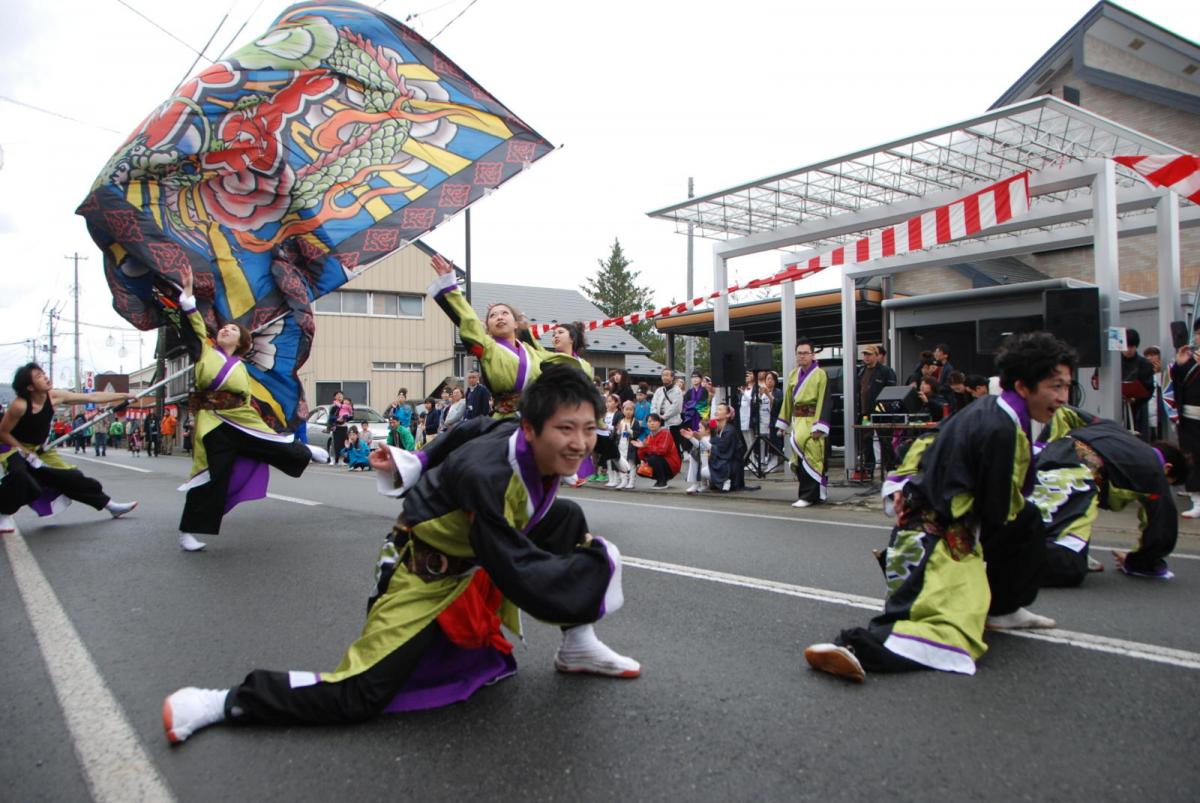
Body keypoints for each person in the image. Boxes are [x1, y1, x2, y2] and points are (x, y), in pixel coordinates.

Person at [161, 365, 639, 744]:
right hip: (423, 568)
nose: (580, 443)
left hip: (476, 548)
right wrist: (595, 576)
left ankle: (576, 646)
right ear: (532, 428)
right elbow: (511, 566)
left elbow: (467, 427)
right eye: (566, 429)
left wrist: (418, 459)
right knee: (359, 694)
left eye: (588, 428)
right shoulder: (487, 474)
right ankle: (223, 701)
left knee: (566, 518)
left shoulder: (517, 432)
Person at [804, 332, 1076, 682]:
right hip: (934, 544)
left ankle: (1004, 605)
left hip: (933, 529)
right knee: (949, 625)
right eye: (1056, 386)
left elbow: (926, 449)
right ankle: (855, 649)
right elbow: (995, 512)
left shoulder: (990, 412)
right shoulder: (999, 426)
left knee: (1026, 520)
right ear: (1023, 385)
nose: (1063, 397)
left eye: (1067, 387)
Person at [175, 266, 327, 552]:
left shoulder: (243, 368)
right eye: (223, 328)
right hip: (213, 424)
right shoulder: (205, 352)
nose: (225, 329)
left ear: (242, 342)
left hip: (242, 420)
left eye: (232, 329)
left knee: (273, 443)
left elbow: (249, 399)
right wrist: (187, 296)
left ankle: (307, 452)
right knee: (212, 477)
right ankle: (188, 530)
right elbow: (195, 325)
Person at [1034, 410, 1186, 584]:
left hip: (1044, 460)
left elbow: (1064, 412)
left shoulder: (1113, 429)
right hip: (1075, 475)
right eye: (1169, 482)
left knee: (1038, 525)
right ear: (1166, 468)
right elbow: (1162, 531)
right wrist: (1137, 562)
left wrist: (1041, 446)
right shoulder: (1154, 472)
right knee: (1070, 567)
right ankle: (1009, 564)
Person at [0, 363, 138, 534]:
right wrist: (24, 451)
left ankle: (110, 505)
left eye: (43, 373)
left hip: (40, 449)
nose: (45, 377)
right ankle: (4, 513)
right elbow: (3, 433)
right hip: (12, 447)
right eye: (38, 376)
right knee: (22, 479)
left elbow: (91, 397)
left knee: (72, 477)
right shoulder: (19, 405)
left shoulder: (55, 397)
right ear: (29, 387)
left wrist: (125, 395)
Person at [429, 254, 543, 419]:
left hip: (538, 418)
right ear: (487, 327)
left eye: (505, 313)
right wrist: (449, 285)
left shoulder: (533, 352)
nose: (500, 317)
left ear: (517, 322)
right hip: (505, 421)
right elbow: (469, 320)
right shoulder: (487, 347)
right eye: (493, 315)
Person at [777, 339, 830, 508]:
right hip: (797, 421)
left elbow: (825, 400)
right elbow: (787, 400)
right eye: (799, 353)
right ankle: (811, 493)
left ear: (812, 354)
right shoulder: (794, 374)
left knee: (813, 457)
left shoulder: (820, 374)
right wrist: (782, 423)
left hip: (812, 420)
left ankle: (809, 495)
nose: (802, 356)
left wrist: (819, 426)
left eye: (805, 353)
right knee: (799, 459)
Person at [1170, 338, 1200, 517]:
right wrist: (1180, 365)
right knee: (1192, 459)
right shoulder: (1189, 358)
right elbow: (1176, 384)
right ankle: (1197, 501)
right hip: (1190, 418)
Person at [856, 344, 896, 477]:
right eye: (864, 354)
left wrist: (886, 409)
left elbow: (891, 392)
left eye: (869, 354)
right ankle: (869, 468)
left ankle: (891, 468)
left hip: (881, 413)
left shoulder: (886, 371)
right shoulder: (861, 371)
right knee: (866, 439)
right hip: (865, 413)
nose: (866, 357)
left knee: (884, 439)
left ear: (876, 355)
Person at [1121, 329, 1155, 441]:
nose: (1128, 350)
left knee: (1138, 438)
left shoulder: (1144, 364)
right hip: (1117, 406)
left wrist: (1136, 399)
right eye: (1126, 346)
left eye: (1132, 346)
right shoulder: (1113, 363)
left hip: (1138, 408)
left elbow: (1149, 388)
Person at [632, 413, 680, 490]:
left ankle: (662, 481)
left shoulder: (665, 433)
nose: (652, 423)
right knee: (640, 469)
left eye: (654, 421)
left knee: (653, 458)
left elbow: (662, 451)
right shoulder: (649, 437)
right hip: (660, 462)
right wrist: (641, 449)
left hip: (671, 465)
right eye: (649, 421)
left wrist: (646, 447)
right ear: (647, 424)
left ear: (659, 422)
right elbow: (642, 456)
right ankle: (660, 479)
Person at [610, 400, 642, 490]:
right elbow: (615, 434)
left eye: (631, 409)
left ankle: (631, 481)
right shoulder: (620, 421)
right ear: (623, 410)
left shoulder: (635, 422)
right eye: (626, 409)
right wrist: (618, 431)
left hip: (630, 447)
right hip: (621, 445)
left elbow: (637, 434)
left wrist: (630, 431)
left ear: (633, 411)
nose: (628, 411)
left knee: (631, 465)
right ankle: (623, 481)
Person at [650, 368, 684, 455]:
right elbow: (653, 403)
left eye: (667, 375)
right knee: (660, 445)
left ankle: (675, 465)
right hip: (659, 423)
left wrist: (664, 416)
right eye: (663, 375)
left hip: (672, 423)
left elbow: (676, 407)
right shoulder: (659, 390)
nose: (664, 377)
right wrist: (655, 417)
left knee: (674, 446)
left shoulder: (677, 391)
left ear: (672, 377)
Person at [326, 391, 352, 466]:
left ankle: (341, 459)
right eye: (338, 395)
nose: (340, 397)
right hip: (335, 427)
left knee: (343, 443)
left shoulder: (346, 405)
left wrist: (346, 417)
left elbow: (351, 415)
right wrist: (337, 419)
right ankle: (332, 459)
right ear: (335, 397)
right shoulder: (333, 406)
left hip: (344, 427)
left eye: (341, 395)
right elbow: (330, 417)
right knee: (334, 444)